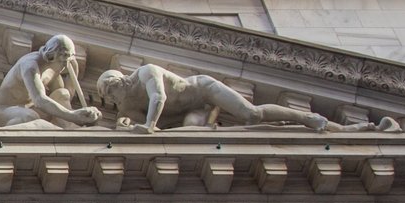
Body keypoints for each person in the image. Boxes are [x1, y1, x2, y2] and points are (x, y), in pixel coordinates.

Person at [93, 63, 330, 132]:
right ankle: (278, 127)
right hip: (192, 113)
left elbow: (159, 97)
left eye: (111, 93)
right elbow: (134, 126)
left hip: (204, 91)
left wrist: (148, 125)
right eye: (109, 98)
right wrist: (125, 124)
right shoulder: (126, 105)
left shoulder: (146, 72)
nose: (112, 100)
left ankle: (307, 118)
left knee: (252, 114)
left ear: (119, 82)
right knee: (190, 132)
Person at [0, 35, 101, 128]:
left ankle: (70, 130)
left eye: (68, 61)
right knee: (29, 117)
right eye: (63, 62)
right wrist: (72, 116)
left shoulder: (56, 66)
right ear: (50, 56)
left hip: (32, 108)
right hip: (5, 110)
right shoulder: (30, 66)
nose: (65, 66)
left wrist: (83, 115)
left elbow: (63, 97)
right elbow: (39, 100)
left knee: (62, 93)